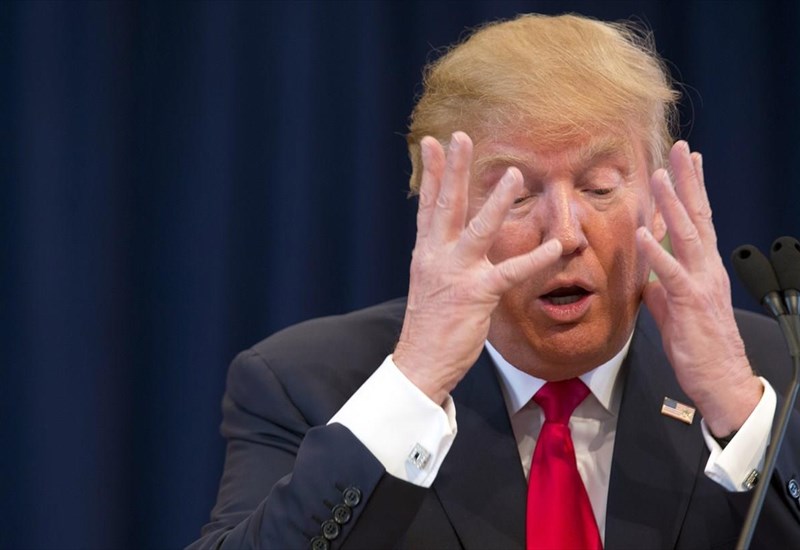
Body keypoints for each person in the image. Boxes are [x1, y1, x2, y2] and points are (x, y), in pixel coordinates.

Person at [189, 13, 800, 549]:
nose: (565, 234)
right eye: (516, 194)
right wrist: (415, 385)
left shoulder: (779, 372)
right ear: (443, 216)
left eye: (599, 187)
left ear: (660, 207)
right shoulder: (306, 384)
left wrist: (738, 414)